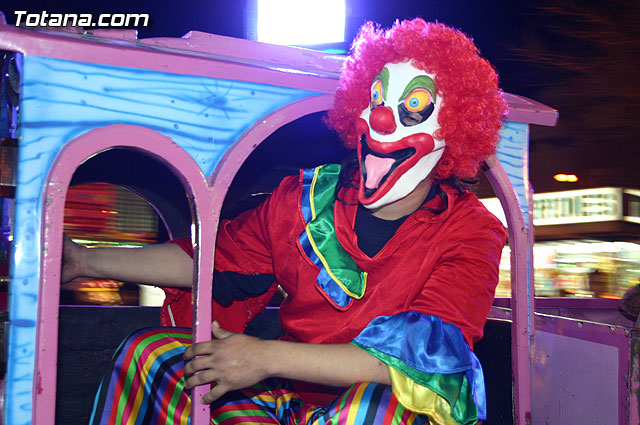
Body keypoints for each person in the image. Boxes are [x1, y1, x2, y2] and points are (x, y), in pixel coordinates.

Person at [63, 18, 508, 425]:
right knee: (151, 354)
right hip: (290, 406)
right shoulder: (305, 199)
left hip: (385, 412)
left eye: (414, 105)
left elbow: (410, 363)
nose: (381, 117)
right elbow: (212, 262)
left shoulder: (472, 232)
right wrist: (84, 261)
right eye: (376, 97)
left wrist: (263, 358)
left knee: (374, 404)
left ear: (454, 131)